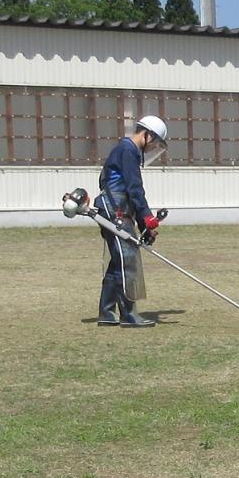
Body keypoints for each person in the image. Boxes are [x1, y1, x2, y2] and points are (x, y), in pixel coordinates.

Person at [94, 115, 168, 328]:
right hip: (114, 209)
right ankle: (129, 315)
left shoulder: (126, 150)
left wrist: (145, 225)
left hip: (117, 209)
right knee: (128, 259)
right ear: (147, 135)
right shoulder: (128, 150)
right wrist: (146, 216)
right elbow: (134, 188)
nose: (153, 147)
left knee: (118, 260)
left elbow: (128, 191)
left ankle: (106, 313)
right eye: (155, 142)